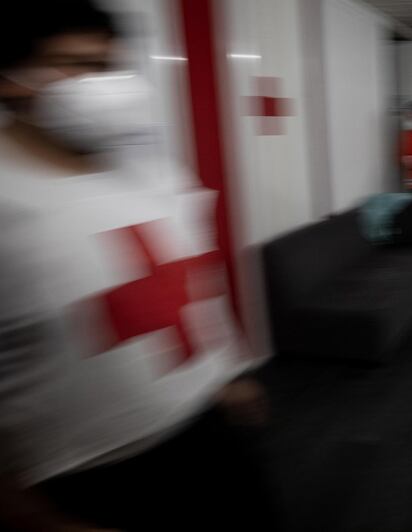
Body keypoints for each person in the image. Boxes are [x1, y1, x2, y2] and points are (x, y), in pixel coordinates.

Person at [0, 2, 275, 530]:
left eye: (108, 67)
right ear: (12, 80)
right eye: (76, 65)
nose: (102, 86)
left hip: (208, 428)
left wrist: (227, 372)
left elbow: (195, 281)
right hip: (89, 472)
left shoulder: (153, 172)